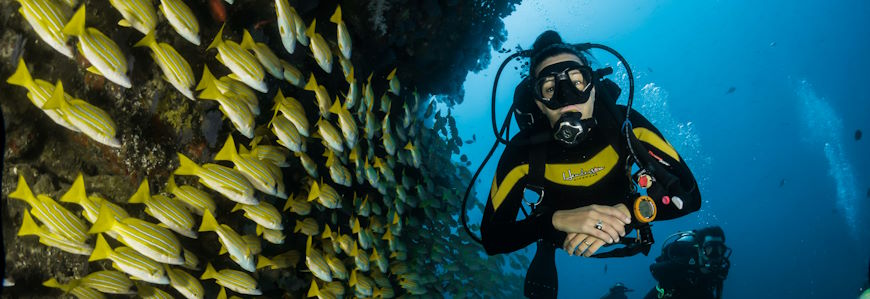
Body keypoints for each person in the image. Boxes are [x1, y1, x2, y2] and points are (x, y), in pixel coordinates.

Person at [479, 30, 702, 298]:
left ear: (594, 87)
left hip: (625, 216)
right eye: (550, 89)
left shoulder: (626, 126)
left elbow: (689, 196)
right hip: (558, 233)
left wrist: (631, 213)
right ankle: (546, 244)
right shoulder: (522, 153)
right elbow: (493, 238)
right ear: (538, 103)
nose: (565, 97)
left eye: (577, 81)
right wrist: (553, 222)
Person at [643, 226, 731, 299]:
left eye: (719, 250)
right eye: (709, 249)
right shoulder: (683, 262)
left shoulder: (719, 271)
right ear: (699, 250)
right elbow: (654, 269)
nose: (715, 255)